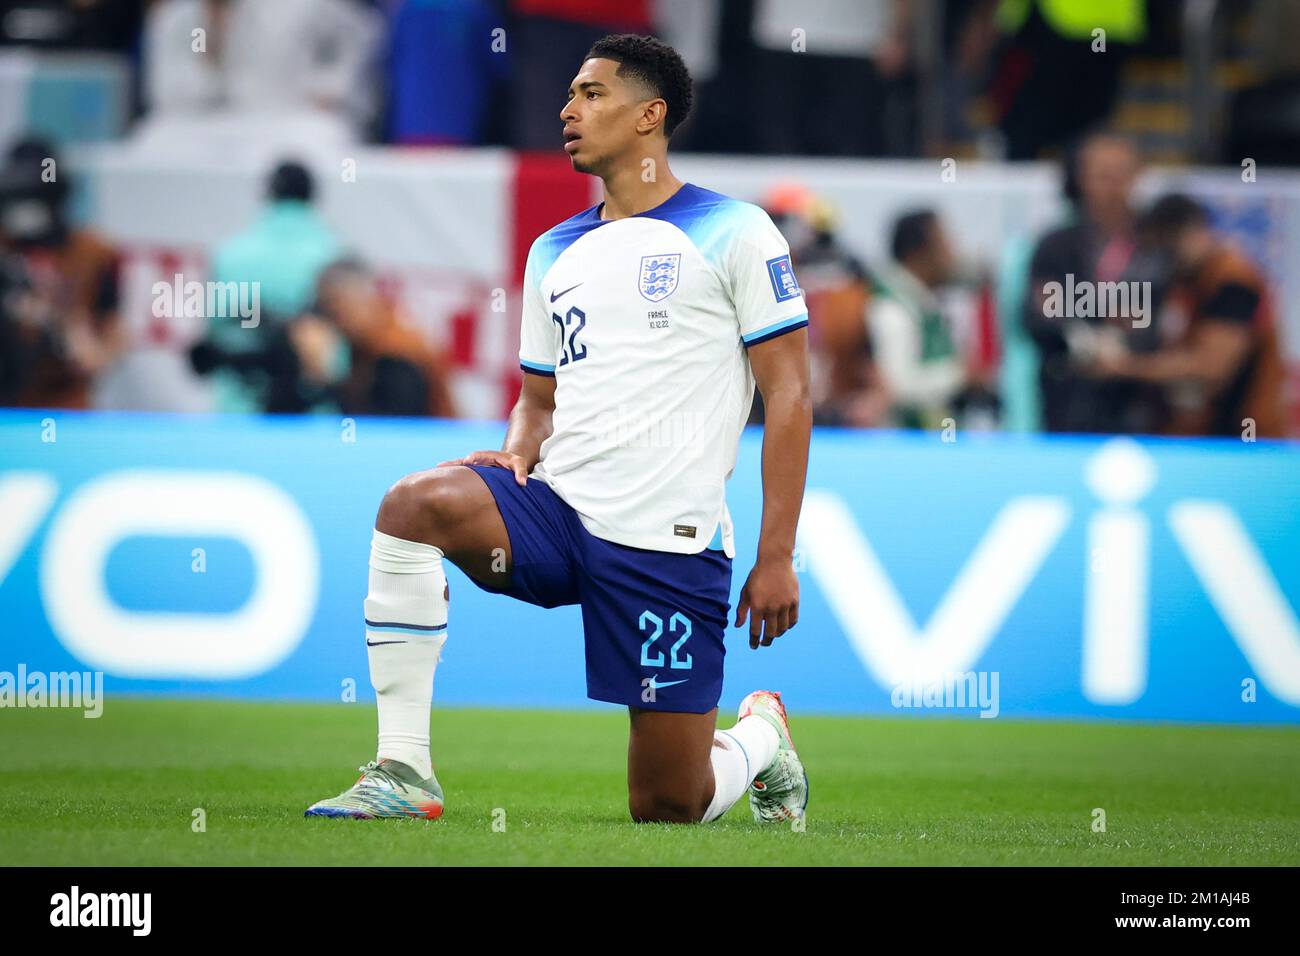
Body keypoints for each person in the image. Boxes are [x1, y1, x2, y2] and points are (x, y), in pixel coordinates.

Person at [306, 34, 811, 825]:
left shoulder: (736, 231)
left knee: (669, 805)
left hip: (666, 546)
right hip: (558, 515)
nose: (569, 110)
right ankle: (403, 772)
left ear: (651, 115)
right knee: (412, 507)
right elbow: (536, 403)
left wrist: (777, 555)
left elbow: (789, 396)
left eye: (591, 94)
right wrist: (514, 457)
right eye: (570, 94)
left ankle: (759, 737)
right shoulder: (555, 250)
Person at [1089, 194, 1287, 438]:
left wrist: (1126, 366)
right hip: (1200, 432)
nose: (1164, 259)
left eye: (1167, 247)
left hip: (1246, 436)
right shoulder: (1188, 283)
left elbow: (1210, 366)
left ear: (1189, 233)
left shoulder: (1233, 281)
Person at [869, 209, 969, 429]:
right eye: (944, 243)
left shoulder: (920, 302)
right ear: (918, 253)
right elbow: (897, 386)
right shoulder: (892, 308)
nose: (952, 253)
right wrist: (961, 375)